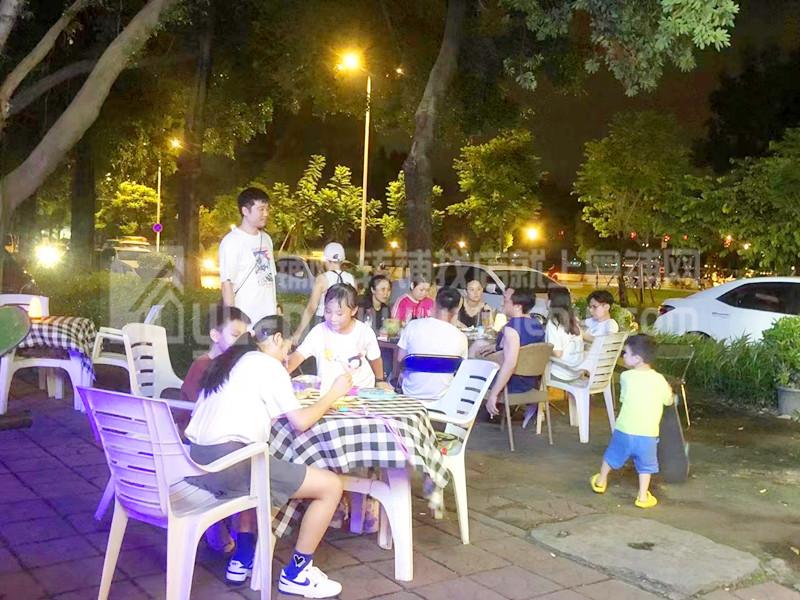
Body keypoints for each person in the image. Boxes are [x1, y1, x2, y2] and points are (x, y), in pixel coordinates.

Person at [184, 315, 351, 597]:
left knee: (257, 467)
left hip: (195, 462)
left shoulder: (227, 361)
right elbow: (300, 422)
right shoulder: (268, 365)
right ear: (276, 339)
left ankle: (243, 558)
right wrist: (333, 394)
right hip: (230, 465)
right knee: (331, 486)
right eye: (287, 349)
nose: (287, 357)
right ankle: (297, 573)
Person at [178, 305, 250, 554]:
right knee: (248, 455)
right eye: (235, 335)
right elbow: (197, 411)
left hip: (209, 436)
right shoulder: (204, 366)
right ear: (215, 335)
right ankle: (220, 525)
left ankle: (236, 524)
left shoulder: (227, 365)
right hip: (196, 440)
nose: (241, 342)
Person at [591, 334, 673, 509]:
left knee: (612, 456)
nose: (623, 356)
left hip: (625, 429)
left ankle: (600, 481)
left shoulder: (626, 377)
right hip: (648, 434)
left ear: (637, 358)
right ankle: (642, 497)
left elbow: (623, 398)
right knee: (645, 466)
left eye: (626, 353)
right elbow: (668, 400)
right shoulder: (659, 379)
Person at [288, 283, 392, 393]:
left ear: (353, 311)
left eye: (339, 314)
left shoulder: (364, 332)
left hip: (361, 391)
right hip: (329, 393)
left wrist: (380, 380)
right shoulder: (318, 332)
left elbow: (375, 358)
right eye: (328, 311)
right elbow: (298, 356)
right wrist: (280, 373)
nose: (333, 318)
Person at [397, 287, 469, 399]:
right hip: (443, 399)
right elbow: (460, 372)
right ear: (456, 310)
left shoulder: (413, 326)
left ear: (434, 304)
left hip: (410, 397)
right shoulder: (461, 337)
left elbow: (400, 359)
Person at [484, 288, 546, 417]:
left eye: (506, 301)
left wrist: (494, 394)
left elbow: (510, 364)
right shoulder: (536, 324)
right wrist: (497, 347)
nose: (502, 303)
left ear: (518, 306)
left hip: (511, 385)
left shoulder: (511, 329)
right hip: (531, 383)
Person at [219, 187, 277, 324]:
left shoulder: (266, 239)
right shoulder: (232, 241)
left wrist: (276, 308)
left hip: (268, 319)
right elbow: (227, 284)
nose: (266, 214)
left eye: (267, 209)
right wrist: (233, 321)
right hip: (245, 321)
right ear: (245, 211)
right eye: (261, 209)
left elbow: (271, 280)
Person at [292, 242, 356, 344]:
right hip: (345, 323)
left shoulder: (322, 279)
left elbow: (311, 307)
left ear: (326, 260)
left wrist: (298, 332)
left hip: (324, 321)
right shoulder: (351, 279)